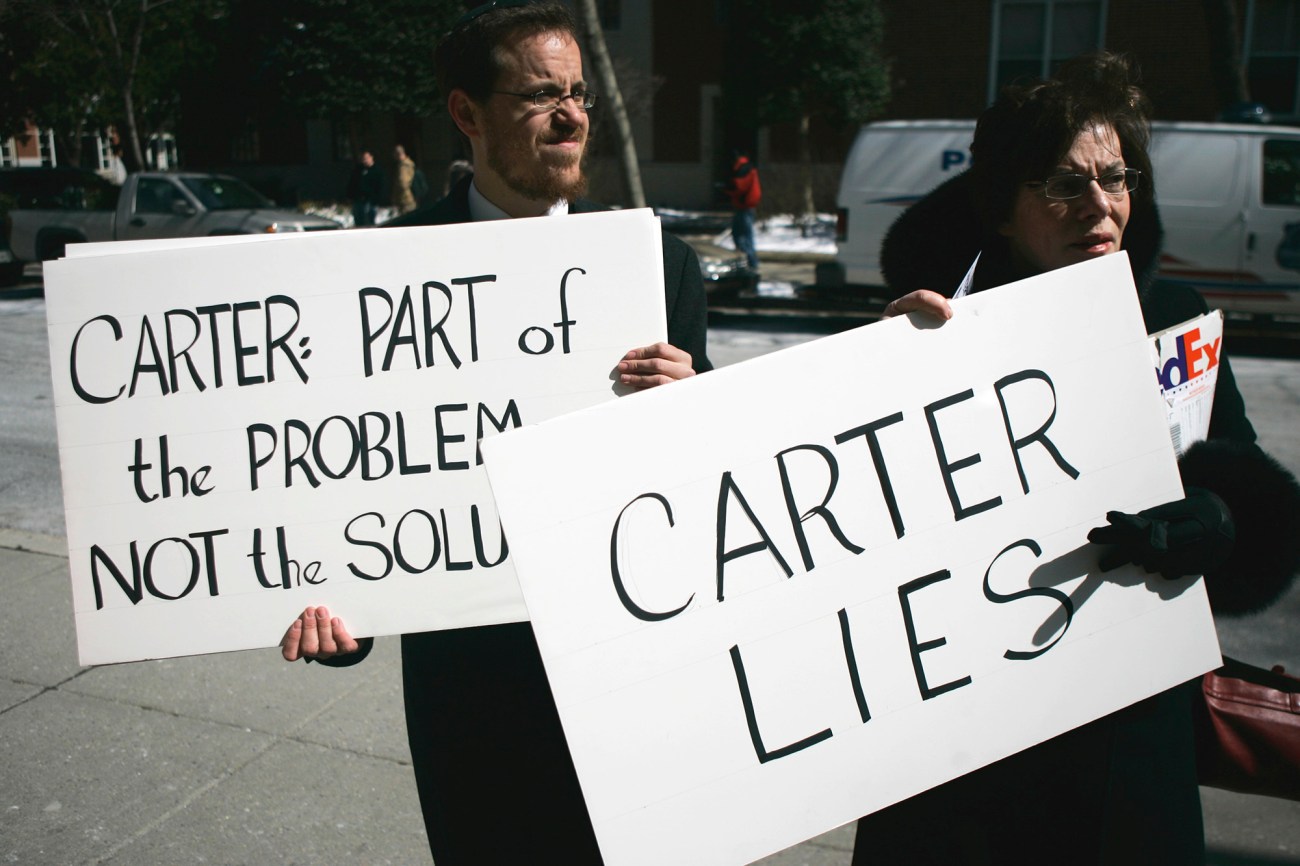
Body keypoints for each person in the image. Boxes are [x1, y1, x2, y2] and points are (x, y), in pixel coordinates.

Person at [278, 2, 711, 863]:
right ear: (466, 115)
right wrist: (335, 608)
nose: (572, 114)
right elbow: (353, 479)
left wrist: (698, 408)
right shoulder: (373, 276)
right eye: (541, 95)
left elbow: (708, 489)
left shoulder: (660, 267)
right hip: (472, 695)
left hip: (630, 666)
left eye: (579, 93)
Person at [850, 52, 1300, 866]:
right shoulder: (927, 332)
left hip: (1123, 752)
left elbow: (1250, 497)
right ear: (1001, 210)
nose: (1100, 205)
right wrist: (892, 379)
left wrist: (1214, 519)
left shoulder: (1174, 318)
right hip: (960, 760)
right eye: (1064, 184)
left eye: (1116, 178)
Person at [724, 148, 761, 270]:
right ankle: (748, 260)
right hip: (744, 206)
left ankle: (751, 261)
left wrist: (728, 189)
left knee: (743, 235)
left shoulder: (743, 169)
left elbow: (739, 187)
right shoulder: (746, 167)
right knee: (741, 234)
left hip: (744, 206)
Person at [345, 150, 385, 227]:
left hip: (370, 201)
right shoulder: (358, 170)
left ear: (371, 157)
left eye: (366, 158)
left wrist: (376, 199)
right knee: (358, 221)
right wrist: (350, 196)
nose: (365, 160)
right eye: (363, 159)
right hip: (358, 200)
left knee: (369, 221)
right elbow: (352, 183)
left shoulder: (377, 171)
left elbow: (380, 186)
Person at [391, 144, 418, 215]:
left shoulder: (404, 166)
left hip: (406, 200)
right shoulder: (403, 165)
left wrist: (397, 197)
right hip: (406, 199)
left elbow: (403, 183)